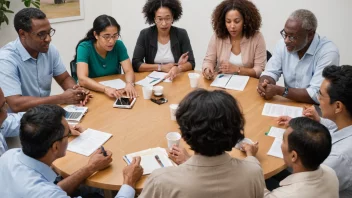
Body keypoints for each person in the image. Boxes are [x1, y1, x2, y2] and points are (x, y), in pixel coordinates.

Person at [139, 89, 264, 198]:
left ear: (183, 134)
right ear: (236, 131)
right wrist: (250, 154)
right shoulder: (253, 172)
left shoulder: (161, 181)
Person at [0, 104, 143, 198]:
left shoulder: (8, 157)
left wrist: (90, 168)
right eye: (68, 133)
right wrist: (128, 182)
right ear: (55, 147)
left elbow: (51, 189)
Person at [277, 65, 352, 198]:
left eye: (321, 95)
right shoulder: (346, 122)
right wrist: (307, 125)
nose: (318, 99)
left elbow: (304, 174)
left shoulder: (338, 158)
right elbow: (336, 127)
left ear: (338, 106)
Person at [0, 8, 91, 113]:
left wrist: (77, 92)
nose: (48, 39)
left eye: (49, 32)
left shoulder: (50, 50)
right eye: (41, 34)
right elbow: (16, 104)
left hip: (43, 114)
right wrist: (62, 98)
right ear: (22, 34)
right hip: (19, 121)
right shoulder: (6, 59)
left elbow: (64, 78)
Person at [257, 9, 339, 104]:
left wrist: (279, 91)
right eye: (285, 34)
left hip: (316, 109)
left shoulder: (328, 53)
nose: (286, 41)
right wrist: (264, 84)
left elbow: (316, 94)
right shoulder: (282, 45)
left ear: (310, 35)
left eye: (292, 37)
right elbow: (270, 72)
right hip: (290, 102)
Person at [264, 117, 338, 198]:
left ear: (293, 156)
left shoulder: (284, 195)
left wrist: (252, 165)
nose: (281, 144)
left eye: (283, 141)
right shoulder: (331, 173)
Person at [75, 15, 137, 99]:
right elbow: (82, 79)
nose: (111, 41)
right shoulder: (84, 47)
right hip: (92, 92)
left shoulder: (119, 45)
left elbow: (129, 70)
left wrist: (129, 84)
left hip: (115, 91)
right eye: (106, 36)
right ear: (96, 35)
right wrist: (105, 89)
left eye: (115, 36)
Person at [202, 0, 266, 79]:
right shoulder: (217, 36)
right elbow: (208, 61)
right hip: (222, 84)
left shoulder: (257, 37)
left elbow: (259, 70)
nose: (232, 26)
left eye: (237, 21)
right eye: (228, 21)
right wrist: (207, 69)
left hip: (248, 85)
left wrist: (237, 69)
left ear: (245, 21)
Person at [132, 0, 195, 80]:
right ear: (154, 19)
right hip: (152, 80)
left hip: (175, 79)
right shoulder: (145, 34)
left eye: (167, 18)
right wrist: (160, 67)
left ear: (173, 18)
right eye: (160, 19)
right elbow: (136, 64)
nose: (164, 23)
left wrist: (178, 68)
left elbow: (191, 63)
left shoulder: (181, 34)